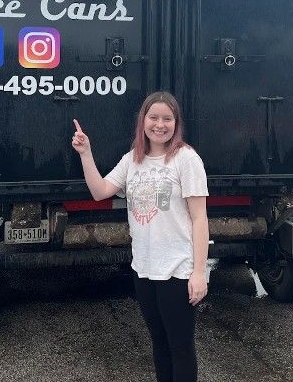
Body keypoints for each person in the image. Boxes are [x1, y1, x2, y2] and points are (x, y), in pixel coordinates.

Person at [71, 91, 209, 382]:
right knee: (159, 344)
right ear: (143, 121)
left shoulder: (186, 160)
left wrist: (199, 272)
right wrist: (86, 154)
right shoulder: (133, 160)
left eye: (167, 119)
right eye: (154, 117)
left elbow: (199, 218)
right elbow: (100, 191)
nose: (160, 125)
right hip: (144, 269)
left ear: (176, 123)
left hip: (177, 270)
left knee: (180, 347)